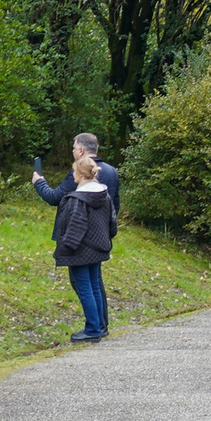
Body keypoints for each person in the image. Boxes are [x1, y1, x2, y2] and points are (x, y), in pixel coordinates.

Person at [35, 132, 121, 337]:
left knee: (84, 285)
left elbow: (71, 222)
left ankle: (93, 328)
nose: (73, 151)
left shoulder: (77, 198)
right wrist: (105, 236)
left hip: (81, 247)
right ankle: (101, 326)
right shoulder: (108, 182)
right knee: (95, 284)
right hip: (100, 242)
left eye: (74, 147)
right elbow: (114, 213)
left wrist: (64, 250)